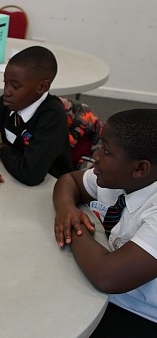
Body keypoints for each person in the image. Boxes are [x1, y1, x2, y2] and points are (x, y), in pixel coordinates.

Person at [53, 109, 157, 336]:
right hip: (103, 291)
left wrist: (73, 225)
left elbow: (107, 276)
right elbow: (69, 180)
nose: (96, 156)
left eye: (107, 151)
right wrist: (66, 208)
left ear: (140, 168)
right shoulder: (118, 177)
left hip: (139, 313)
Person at [0, 46, 72, 186]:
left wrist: (3, 150)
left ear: (42, 87)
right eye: (6, 83)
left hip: (50, 190)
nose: (7, 91)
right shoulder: (7, 104)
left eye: (15, 86)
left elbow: (31, 174)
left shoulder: (52, 117)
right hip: (12, 181)